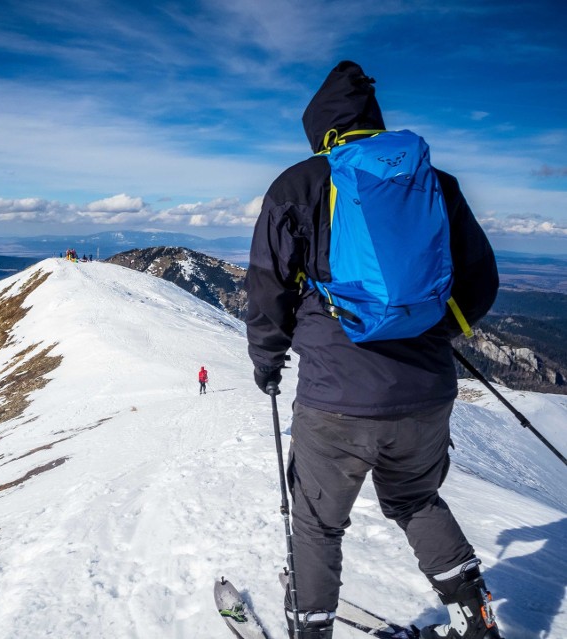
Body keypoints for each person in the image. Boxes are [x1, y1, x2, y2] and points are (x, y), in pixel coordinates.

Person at [245, 61, 500, 639]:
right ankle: (477, 615)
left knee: (316, 522)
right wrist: (433, 327)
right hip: (427, 392)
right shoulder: (435, 181)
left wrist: (267, 360)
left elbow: (268, 287)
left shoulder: (299, 184)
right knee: (415, 499)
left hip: (336, 398)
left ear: (321, 129)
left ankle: (311, 628)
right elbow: (479, 281)